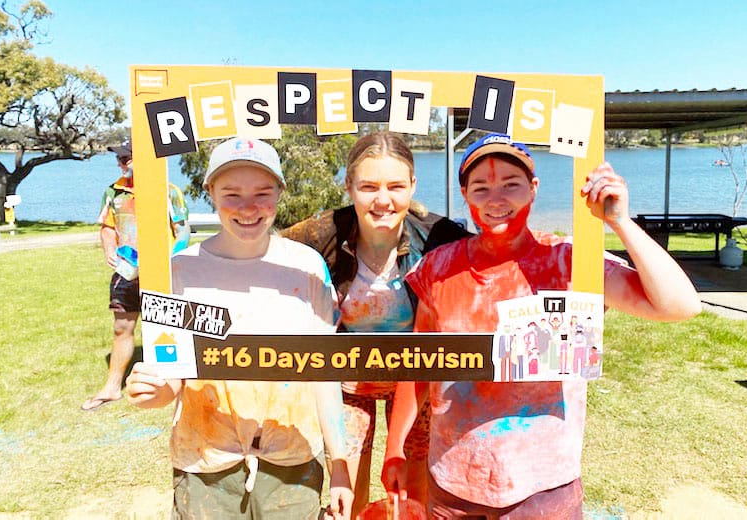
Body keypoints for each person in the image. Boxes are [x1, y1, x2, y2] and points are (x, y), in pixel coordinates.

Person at [381, 133, 702, 518]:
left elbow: (679, 305)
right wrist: (395, 448)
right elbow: (420, 365)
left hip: (543, 489)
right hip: (453, 485)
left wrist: (620, 222)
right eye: (481, 188)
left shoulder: (569, 263)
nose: (496, 199)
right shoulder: (438, 269)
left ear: (533, 190)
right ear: (464, 194)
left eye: (511, 185)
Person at [126, 137, 353, 519]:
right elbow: (173, 373)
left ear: (280, 192)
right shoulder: (178, 273)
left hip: (293, 461)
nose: (248, 207)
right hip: (205, 465)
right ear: (210, 191)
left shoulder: (307, 267)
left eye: (262, 192)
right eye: (231, 193)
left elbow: (323, 373)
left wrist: (340, 462)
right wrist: (153, 391)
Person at [282, 131, 469, 517]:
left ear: (413, 186)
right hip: (349, 383)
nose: (383, 200)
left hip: (416, 382)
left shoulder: (441, 237)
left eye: (396, 186)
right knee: (346, 495)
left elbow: (494, 259)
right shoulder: (320, 235)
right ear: (348, 185)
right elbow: (259, 255)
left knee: (413, 496)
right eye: (368, 186)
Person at [81, 139, 190, 411]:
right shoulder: (113, 192)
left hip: (162, 271)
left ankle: (176, 384)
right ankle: (112, 387)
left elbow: (183, 231)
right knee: (121, 328)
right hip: (126, 271)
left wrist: (171, 259)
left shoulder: (168, 191)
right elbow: (107, 227)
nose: (121, 163)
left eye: (126, 157)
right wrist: (109, 249)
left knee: (167, 329)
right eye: (119, 159)